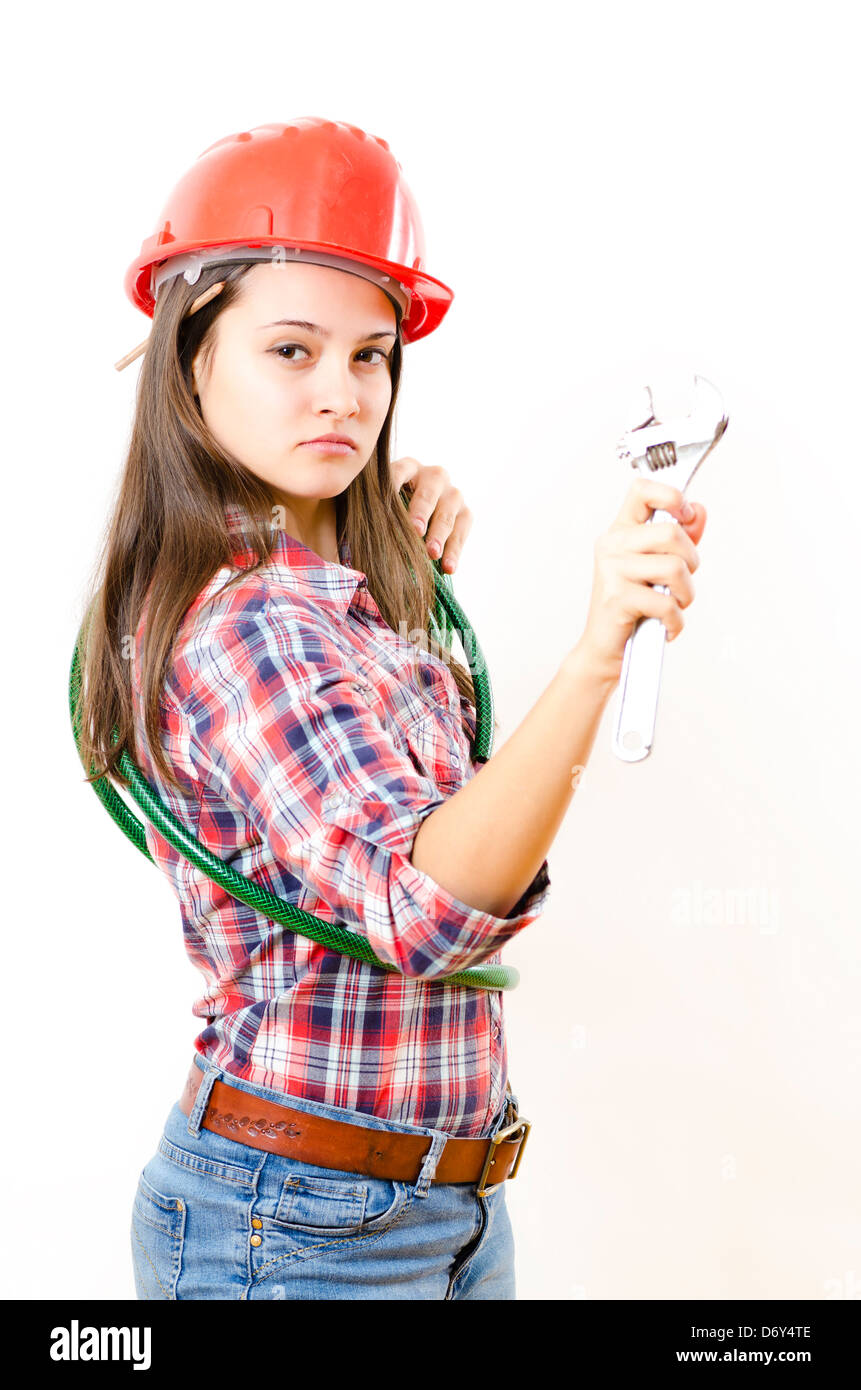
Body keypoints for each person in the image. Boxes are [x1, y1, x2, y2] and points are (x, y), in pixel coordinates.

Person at [74, 119, 706, 1301]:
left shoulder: (348, 582)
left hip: (439, 1205)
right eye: (293, 350)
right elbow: (424, 910)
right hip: (299, 1229)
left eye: (371, 357)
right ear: (188, 355)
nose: (345, 395)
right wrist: (597, 647)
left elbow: (407, 794)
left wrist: (381, 545)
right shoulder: (249, 625)